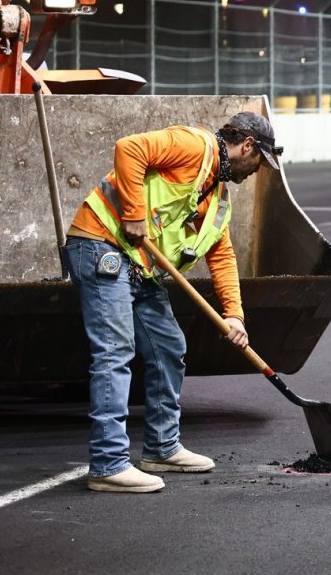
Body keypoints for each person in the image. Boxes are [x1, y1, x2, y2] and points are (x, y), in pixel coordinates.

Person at [63, 111, 282, 492]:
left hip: (140, 267)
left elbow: (222, 255)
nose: (255, 171)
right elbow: (129, 148)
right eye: (258, 162)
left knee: (168, 346)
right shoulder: (194, 145)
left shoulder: (216, 195)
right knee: (115, 352)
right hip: (102, 245)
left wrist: (235, 316)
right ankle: (108, 464)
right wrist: (133, 213)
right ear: (247, 146)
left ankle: (162, 448)